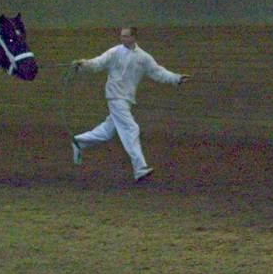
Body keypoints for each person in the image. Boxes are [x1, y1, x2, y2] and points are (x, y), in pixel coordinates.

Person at [71, 26, 190, 182]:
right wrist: (84, 63)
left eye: (126, 36)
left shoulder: (144, 57)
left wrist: (176, 78)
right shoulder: (114, 52)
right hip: (115, 96)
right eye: (121, 36)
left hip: (127, 98)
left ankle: (79, 142)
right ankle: (140, 168)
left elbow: (158, 72)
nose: (123, 39)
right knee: (131, 128)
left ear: (134, 37)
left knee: (107, 131)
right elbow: (97, 63)